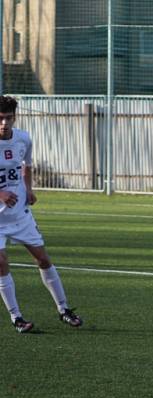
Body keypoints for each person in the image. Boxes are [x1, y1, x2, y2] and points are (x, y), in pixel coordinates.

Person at [0, 95, 83, 333]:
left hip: (19, 214)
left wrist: (28, 189)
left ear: (14, 118)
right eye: (0, 119)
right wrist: (1, 194)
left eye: (8, 118)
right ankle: (16, 317)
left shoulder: (23, 139)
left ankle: (64, 309)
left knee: (43, 259)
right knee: (1, 263)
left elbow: (26, 165)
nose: (4, 123)